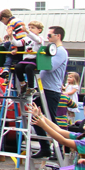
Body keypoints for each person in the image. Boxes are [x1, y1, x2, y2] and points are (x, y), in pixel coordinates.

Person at [31, 25, 69, 159]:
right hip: (43, 89)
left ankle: (59, 150)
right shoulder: (52, 50)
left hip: (51, 90)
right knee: (35, 117)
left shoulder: (60, 51)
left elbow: (50, 67)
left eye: (49, 35)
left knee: (51, 120)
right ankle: (45, 147)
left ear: (58, 36)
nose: (47, 38)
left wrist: (40, 58)